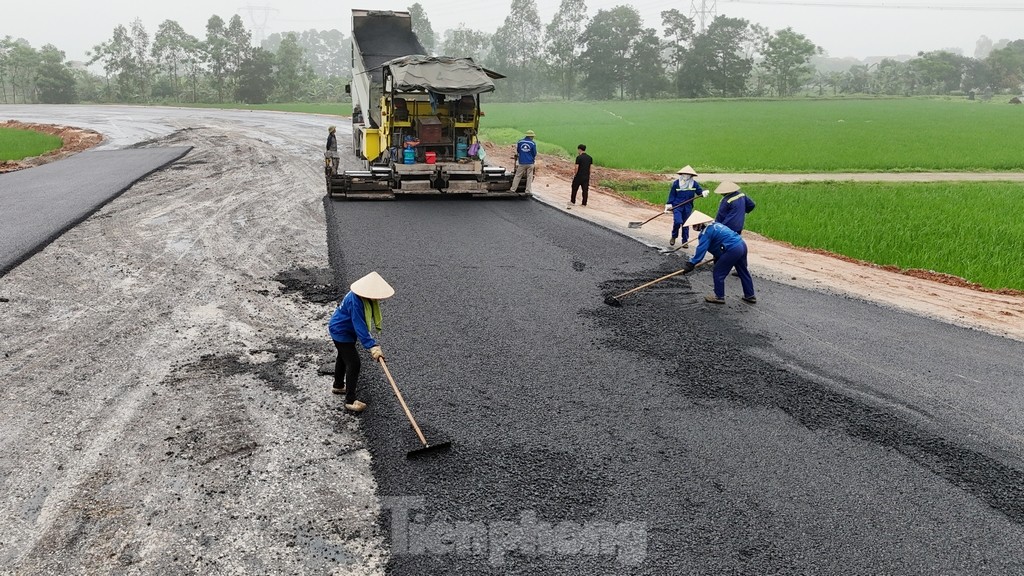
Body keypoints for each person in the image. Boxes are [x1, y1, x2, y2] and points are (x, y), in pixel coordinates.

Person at [328, 271, 395, 412]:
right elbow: (359, 326)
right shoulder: (356, 301)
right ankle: (350, 400)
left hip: (345, 330)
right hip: (341, 331)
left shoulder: (363, 299)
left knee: (343, 357)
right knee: (354, 363)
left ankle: (338, 385)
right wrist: (372, 346)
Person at [681, 211, 757, 305]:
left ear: (700, 224)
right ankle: (750, 295)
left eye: (695, 225)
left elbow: (701, 250)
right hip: (741, 244)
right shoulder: (716, 225)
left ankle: (719, 297)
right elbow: (720, 242)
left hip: (732, 249)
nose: (694, 228)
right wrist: (719, 256)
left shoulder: (706, 233)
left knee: (718, 272)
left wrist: (691, 263)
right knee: (743, 271)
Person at [665, 166, 706, 247]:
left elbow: (699, 192)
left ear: (691, 176)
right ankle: (674, 236)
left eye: (688, 174)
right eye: (684, 174)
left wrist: (703, 193)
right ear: (681, 174)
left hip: (688, 206)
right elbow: (672, 194)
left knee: (686, 224)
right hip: (677, 206)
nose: (686, 176)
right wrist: (669, 205)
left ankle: (685, 241)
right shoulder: (677, 183)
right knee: (678, 222)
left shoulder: (694, 184)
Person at [510, 129, 538, 194]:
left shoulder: (520, 142)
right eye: (532, 136)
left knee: (517, 176)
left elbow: (518, 151)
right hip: (530, 162)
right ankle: (527, 191)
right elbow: (534, 153)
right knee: (529, 177)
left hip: (522, 162)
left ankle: (513, 189)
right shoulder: (532, 143)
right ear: (531, 136)